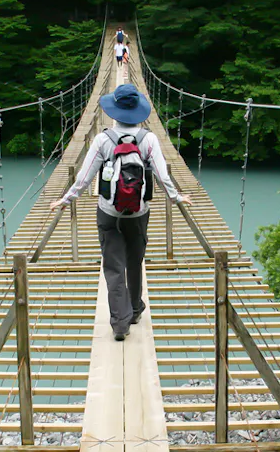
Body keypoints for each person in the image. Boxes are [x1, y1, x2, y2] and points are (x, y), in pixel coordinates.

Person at [50, 84, 192, 341]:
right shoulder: (149, 139)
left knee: (114, 267)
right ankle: (136, 309)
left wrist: (65, 199)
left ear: (113, 112)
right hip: (139, 212)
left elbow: (84, 178)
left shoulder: (103, 139)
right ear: (137, 111)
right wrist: (176, 196)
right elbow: (161, 174)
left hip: (108, 212)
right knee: (134, 261)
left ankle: (120, 324)